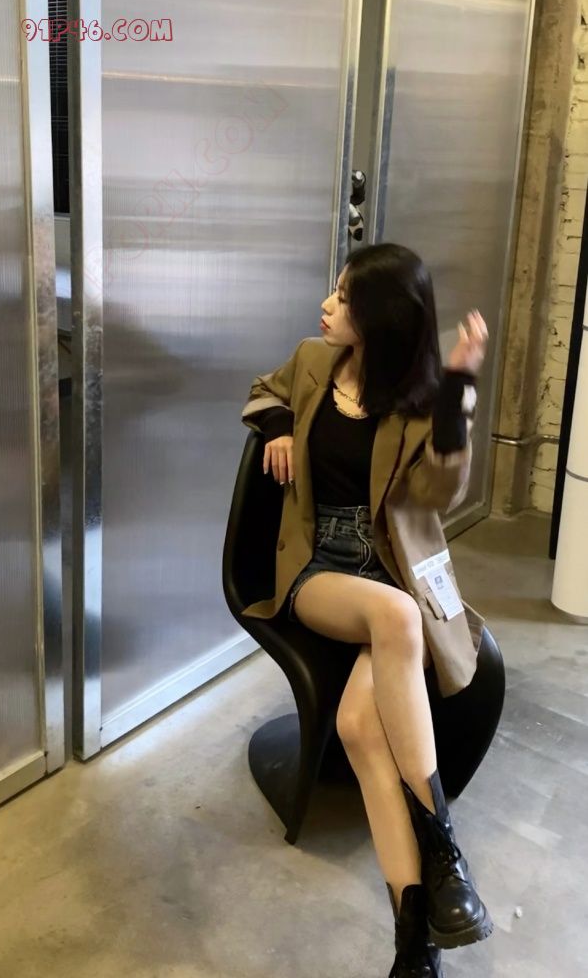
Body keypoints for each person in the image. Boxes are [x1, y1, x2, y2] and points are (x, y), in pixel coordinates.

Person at [240, 243, 492, 977]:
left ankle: (414, 943)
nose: (328, 304)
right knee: (397, 617)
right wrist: (279, 424)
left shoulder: (422, 398)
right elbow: (262, 389)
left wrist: (458, 389)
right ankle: (445, 849)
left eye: (346, 298)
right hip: (319, 566)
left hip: (390, 570)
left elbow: (440, 494)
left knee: (359, 727)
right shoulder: (312, 361)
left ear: (382, 319)